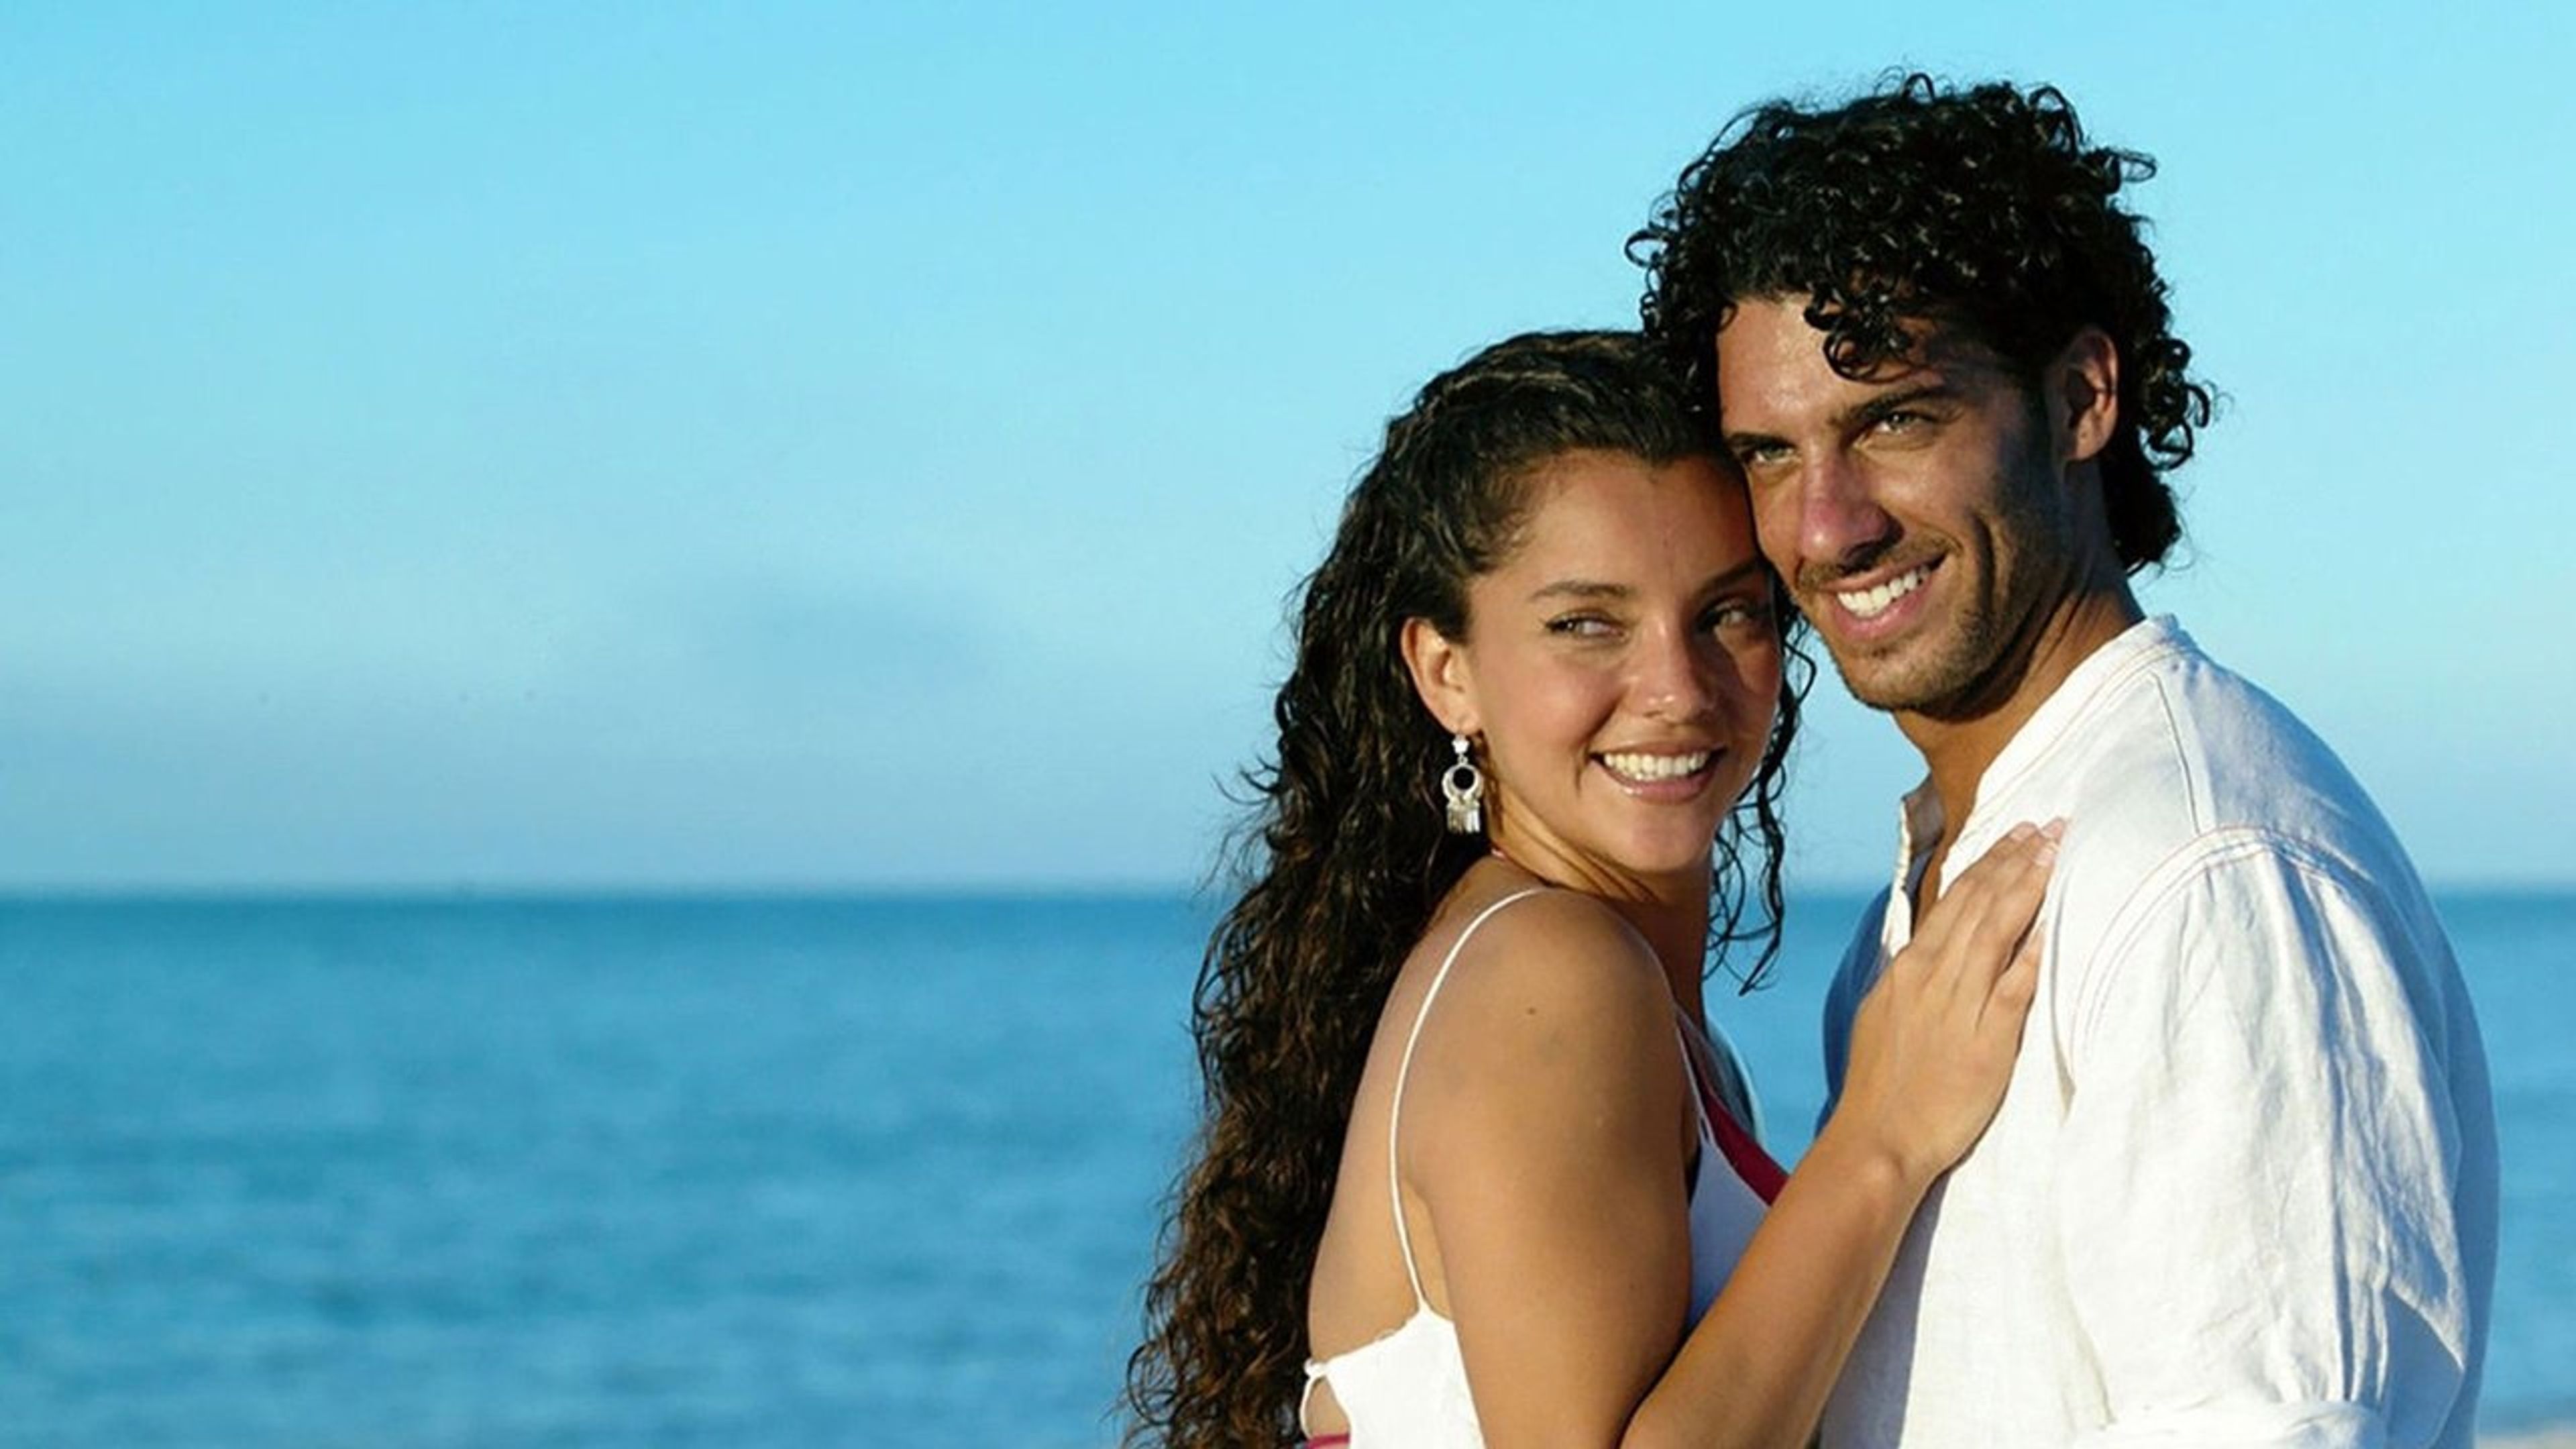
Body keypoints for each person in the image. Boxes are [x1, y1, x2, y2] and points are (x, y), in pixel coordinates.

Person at [1631, 74, 2499, 1448]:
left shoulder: (2201, 870)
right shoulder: (1960, 877)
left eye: (1895, 421)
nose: (1826, 524)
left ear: (2082, 397)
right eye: (1768, 453)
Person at [1123, 329, 2060, 1448]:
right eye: (1587, 625)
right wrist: (1882, 1139)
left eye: (1727, 613)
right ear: (1445, 671)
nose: (1674, 688)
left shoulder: (1586, 988)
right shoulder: (1550, 976)